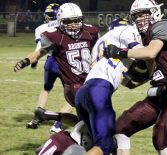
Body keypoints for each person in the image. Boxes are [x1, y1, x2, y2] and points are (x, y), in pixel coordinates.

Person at [103, 0, 167, 154]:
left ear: (154, 12)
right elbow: (152, 68)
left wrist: (120, 52)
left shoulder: (164, 25)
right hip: (157, 94)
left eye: (143, 14)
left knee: (160, 138)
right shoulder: (144, 37)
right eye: (136, 16)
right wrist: (133, 79)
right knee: (121, 127)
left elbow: (151, 52)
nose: (139, 19)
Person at [14, 2, 100, 132]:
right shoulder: (55, 36)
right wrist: (25, 61)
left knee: (85, 122)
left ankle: (48, 115)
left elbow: (97, 49)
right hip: (73, 85)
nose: (74, 25)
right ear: (60, 21)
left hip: (88, 81)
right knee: (95, 120)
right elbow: (39, 53)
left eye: (77, 21)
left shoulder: (90, 32)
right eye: (69, 22)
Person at [75, 18, 147, 155]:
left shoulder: (99, 45)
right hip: (99, 91)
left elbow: (130, 84)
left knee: (103, 145)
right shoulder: (126, 30)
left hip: (83, 93)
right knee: (104, 146)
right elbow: (145, 54)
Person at [25, 3, 73, 134]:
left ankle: (36, 119)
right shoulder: (64, 24)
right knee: (73, 96)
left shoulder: (41, 28)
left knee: (46, 89)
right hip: (65, 62)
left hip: (51, 61)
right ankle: (57, 124)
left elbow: (40, 47)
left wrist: (34, 60)